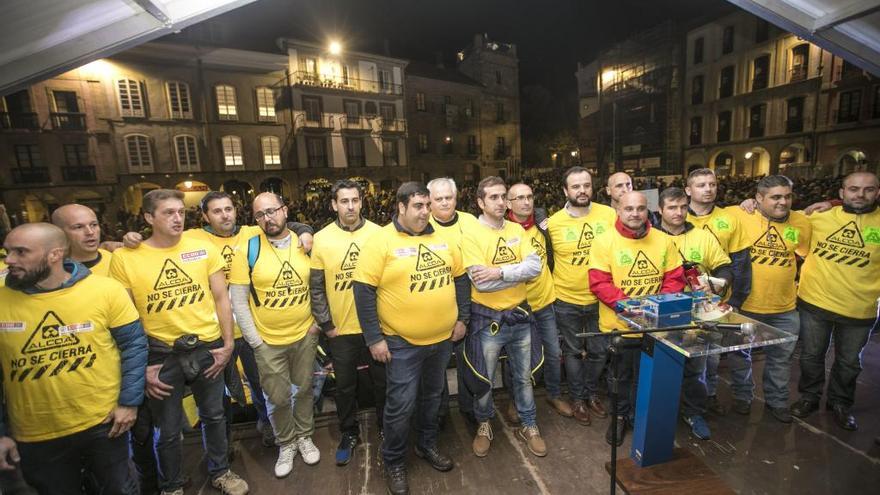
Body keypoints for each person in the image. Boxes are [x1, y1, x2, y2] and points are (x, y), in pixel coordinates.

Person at [109, 189, 248, 495]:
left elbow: (221, 298)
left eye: (180, 212)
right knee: (169, 430)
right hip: (161, 353)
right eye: (168, 213)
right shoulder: (126, 258)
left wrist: (227, 345)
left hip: (207, 346)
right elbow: (124, 320)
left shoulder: (200, 247)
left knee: (214, 416)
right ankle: (171, 485)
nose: (177, 218)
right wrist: (142, 366)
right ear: (148, 217)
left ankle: (221, 471)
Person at [0, 223, 147, 495]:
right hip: (34, 432)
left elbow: (134, 345)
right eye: (9, 251)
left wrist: (129, 402)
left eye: (21, 252)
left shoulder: (104, 290)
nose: (9, 260)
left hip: (104, 423)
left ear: (54, 255)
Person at [353, 182, 470, 495]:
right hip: (401, 343)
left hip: (443, 339)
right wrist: (374, 339)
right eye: (418, 206)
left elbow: (460, 279)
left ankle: (426, 445)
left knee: (433, 398)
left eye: (427, 205)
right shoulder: (380, 241)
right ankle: (393, 460)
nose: (424, 212)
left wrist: (463, 318)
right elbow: (363, 292)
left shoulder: (443, 239)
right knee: (400, 405)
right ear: (400, 207)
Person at [229, 193, 321, 479]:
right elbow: (238, 299)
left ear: (285, 209)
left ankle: (305, 436)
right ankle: (287, 442)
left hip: (305, 334)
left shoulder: (305, 242)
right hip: (267, 340)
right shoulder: (247, 249)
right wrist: (255, 340)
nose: (267, 218)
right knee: (278, 398)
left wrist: (317, 323)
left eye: (272, 211)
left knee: (305, 389)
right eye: (260, 215)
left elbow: (320, 284)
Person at [589, 191, 686, 445]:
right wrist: (631, 308)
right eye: (629, 209)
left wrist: (655, 307)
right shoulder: (603, 241)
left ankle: (641, 418)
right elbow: (599, 283)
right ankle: (619, 418)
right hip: (620, 326)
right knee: (620, 378)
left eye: (640, 209)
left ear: (648, 210)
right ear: (619, 211)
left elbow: (674, 278)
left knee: (648, 378)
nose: (635, 214)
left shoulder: (664, 240)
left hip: (655, 326)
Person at [462, 176, 546, 458]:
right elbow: (480, 283)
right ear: (480, 202)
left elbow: (534, 267)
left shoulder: (516, 229)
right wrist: (515, 271)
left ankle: (529, 424)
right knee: (484, 378)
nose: (501, 202)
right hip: (487, 320)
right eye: (494, 197)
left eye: (503, 197)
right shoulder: (471, 233)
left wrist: (499, 272)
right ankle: (484, 423)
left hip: (520, 316)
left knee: (522, 377)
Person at [790, 172, 880, 431]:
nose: (860, 195)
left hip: (860, 309)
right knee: (810, 355)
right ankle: (809, 397)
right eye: (853, 189)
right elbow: (783, 217)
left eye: (868, 189)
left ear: (877, 192)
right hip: (815, 301)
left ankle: (840, 403)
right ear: (842, 193)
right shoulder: (818, 218)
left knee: (849, 362)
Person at [310, 180, 385, 466]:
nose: (350, 206)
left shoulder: (379, 234)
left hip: (375, 328)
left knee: (383, 384)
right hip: (340, 330)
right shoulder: (321, 238)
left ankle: (384, 427)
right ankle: (349, 432)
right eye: (344, 201)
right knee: (344, 387)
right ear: (334, 205)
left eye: (355, 200)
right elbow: (316, 287)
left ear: (362, 202)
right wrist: (327, 325)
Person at [729, 175, 811, 423]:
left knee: (781, 359)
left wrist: (828, 204)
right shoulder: (741, 215)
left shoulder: (801, 222)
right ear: (758, 198)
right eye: (775, 197)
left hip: (784, 308)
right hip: (746, 305)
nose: (783, 202)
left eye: (787, 196)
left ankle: (777, 402)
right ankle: (742, 398)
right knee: (739, 356)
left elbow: (805, 252)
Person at [654, 187, 733, 440]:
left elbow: (725, 268)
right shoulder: (650, 238)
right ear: (660, 210)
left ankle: (694, 412)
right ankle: (658, 414)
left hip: (698, 314)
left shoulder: (703, 237)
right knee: (659, 367)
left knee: (695, 368)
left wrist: (719, 283)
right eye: (671, 207)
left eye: (682, 207)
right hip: (661, 313)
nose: (678, 212)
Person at [547, 167, 617, 425]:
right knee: (574, 352)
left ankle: (591, 394)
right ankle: (577, 398)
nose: (582, 190)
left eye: (586, 185)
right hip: (566, 300)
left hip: (602, 300)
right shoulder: (553, 223)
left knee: (599, 352)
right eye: (575, 186)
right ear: (565, 191)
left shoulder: (609, 214)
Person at [685, 168, 753, 415]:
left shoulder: (731, 217)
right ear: (688, 190)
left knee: (739, 351)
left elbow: (740, 263)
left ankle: (744, 396)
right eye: (701, 185)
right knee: (706, 357)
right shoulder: (679, 218)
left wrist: (736, 298)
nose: (708, 189)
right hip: (693, 303)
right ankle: (709, 395)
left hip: (724, 301)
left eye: (712, 184)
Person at [505, 182, 571, 419]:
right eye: (519, 198)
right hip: (518, 307)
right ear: (507, 203)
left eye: (530, 196)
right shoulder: (503, 231)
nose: (526, 202)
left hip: (544, 303)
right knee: (516, 359)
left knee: (553, 353)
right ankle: (514, 401)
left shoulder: (544, 225)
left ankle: (553, 394)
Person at [426, 177, 479, 426]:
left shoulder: (471, 222)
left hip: (473, 303)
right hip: (437, 307)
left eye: (449, 197)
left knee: (468, 362)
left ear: (456, 198)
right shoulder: (421, 226)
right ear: (429, 202)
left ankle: (469, 409)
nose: (445, 202)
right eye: (439, 199)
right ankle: (440, 412)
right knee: (437, 367)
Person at [51, 204, 113, 276]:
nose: (90, 232)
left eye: (94, 225)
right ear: (59, 232)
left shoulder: (118, 260)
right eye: (79, 227)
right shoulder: (52, 274)